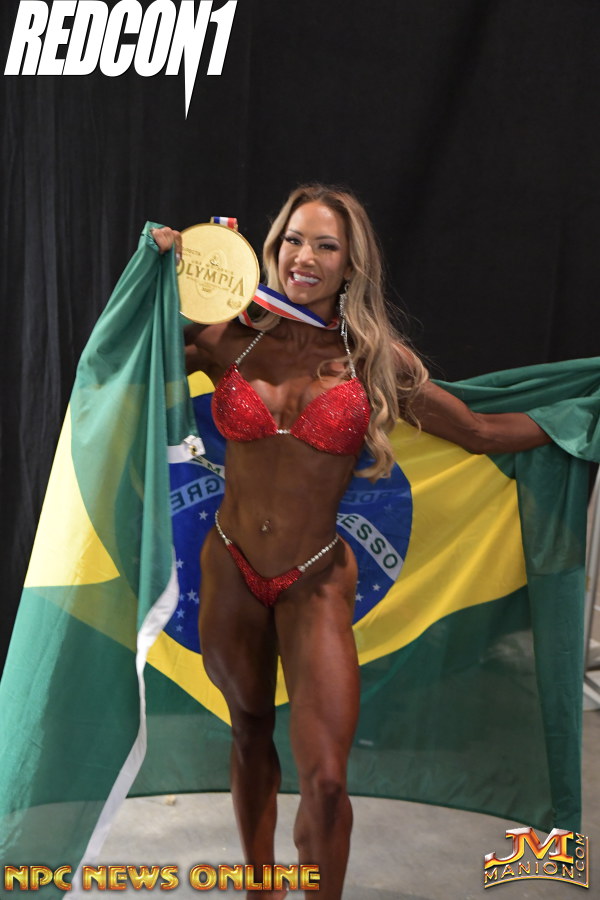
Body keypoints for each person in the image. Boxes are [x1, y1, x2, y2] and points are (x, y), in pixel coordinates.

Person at [150, 184, 550, 900]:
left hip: (314, 578)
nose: (304, 257)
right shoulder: (228, 336)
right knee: (248, 732)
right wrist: (157, 274)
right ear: (272, 249)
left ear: (350, 264)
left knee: (329, 782)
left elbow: (482, 432)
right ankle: (262, 887)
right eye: (293, 240)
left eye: (325, 245)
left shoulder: (372, 360)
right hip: (230, 567)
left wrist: (576, 424)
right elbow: (125, 359)